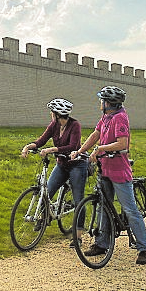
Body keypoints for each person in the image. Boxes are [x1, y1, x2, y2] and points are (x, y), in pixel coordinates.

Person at [71, 86, 146, 265]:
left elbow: (122, 143)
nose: (100, 103)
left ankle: (144, 248)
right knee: (101, 207)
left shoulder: (120, 118)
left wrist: (101, 149)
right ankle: (102, 243)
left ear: (108, 103)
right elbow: (96, 134)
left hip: (118, 171)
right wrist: (80, 150)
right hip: (104, 168)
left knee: (130, 209)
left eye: (102, 100)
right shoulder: (106, 117)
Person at [21, 98, 87, 246]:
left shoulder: (75, 125)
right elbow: (41, 141)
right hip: (62, 165)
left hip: (77, 165)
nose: (51, 115)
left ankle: (78, 235)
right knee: (47, 192)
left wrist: (52, 150)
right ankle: (45, 218)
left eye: (52, 112)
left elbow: (73, 146)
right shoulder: (54, 126)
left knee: (78, 200)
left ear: (58, 114)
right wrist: (28, 147)